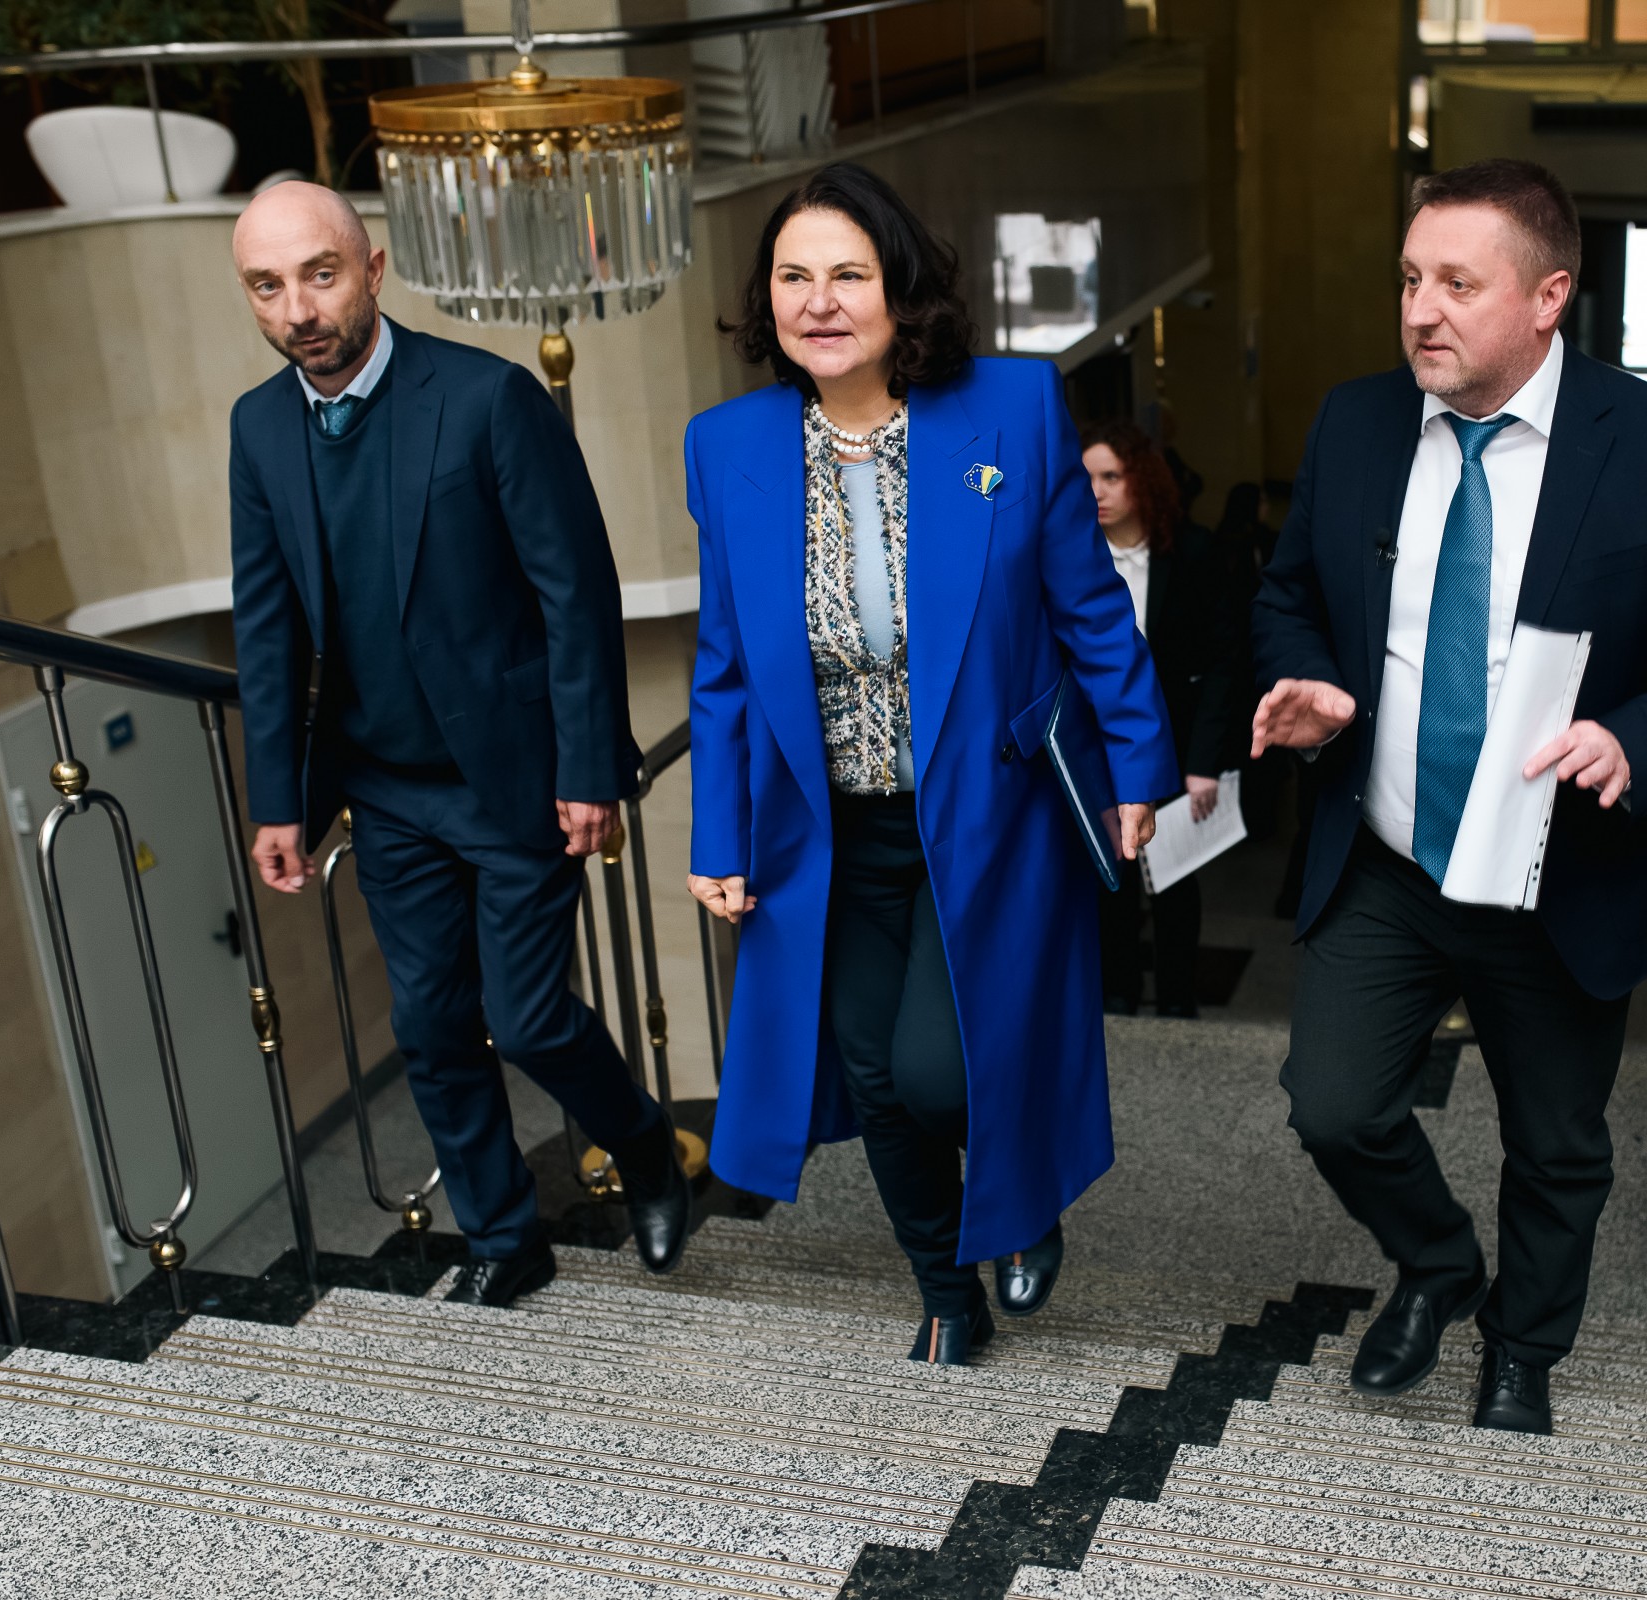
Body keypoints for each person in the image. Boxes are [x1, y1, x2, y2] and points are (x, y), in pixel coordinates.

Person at [1250, 158, 1647, 1435]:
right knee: (1332, 1105)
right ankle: (1439, 1262)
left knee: (1555, 1143)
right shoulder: (1355, 422)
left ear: (1548, 296)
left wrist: (1637, 738)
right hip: (1389, 855)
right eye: (1408, 279)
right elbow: (1288, 594)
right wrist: (1309, 677)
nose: (1418, 310)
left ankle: (1523, 1345)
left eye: (1456, 283)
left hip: (1559, 867)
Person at [683, 164, 1177, 1364]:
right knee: (873, 1068)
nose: (818, 301)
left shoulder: (1009, 408)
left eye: (848, 273)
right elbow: (724, 665)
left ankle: (1023, 1193)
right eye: (793, 276)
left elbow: (1089, 611)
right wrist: (717, 836)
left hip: (991, 811)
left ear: (900, 290)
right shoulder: (728, 445)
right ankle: (946, 1286)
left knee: (943, 1073)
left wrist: (1137, 764)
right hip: (830, 831)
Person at [226, 183, 690, 1308]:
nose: (299, 309)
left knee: (527, 1016)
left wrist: (588, 765)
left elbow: (575, 592)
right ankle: (502, 1235)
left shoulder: (487, 397)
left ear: (373, 269)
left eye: (320, 274)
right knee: (431, 1022)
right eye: (268, 286)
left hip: (511, 779)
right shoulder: (258, 426)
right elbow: (267, 623)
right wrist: (278, 796)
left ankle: (643, 1146)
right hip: (384, 789)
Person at [1083, 421, 1250, 1017]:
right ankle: (1119, 993)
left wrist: (1205, 764)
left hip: (1177, 742)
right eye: (1087, 478)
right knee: (1111, 875)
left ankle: (1178, 1001)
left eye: (1111, 476)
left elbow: (1226, 663)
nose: (1096, 491)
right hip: (1097, 744)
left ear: (1143, 480)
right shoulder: (1072, 555)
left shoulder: (1192, 551)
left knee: (1175, 875)